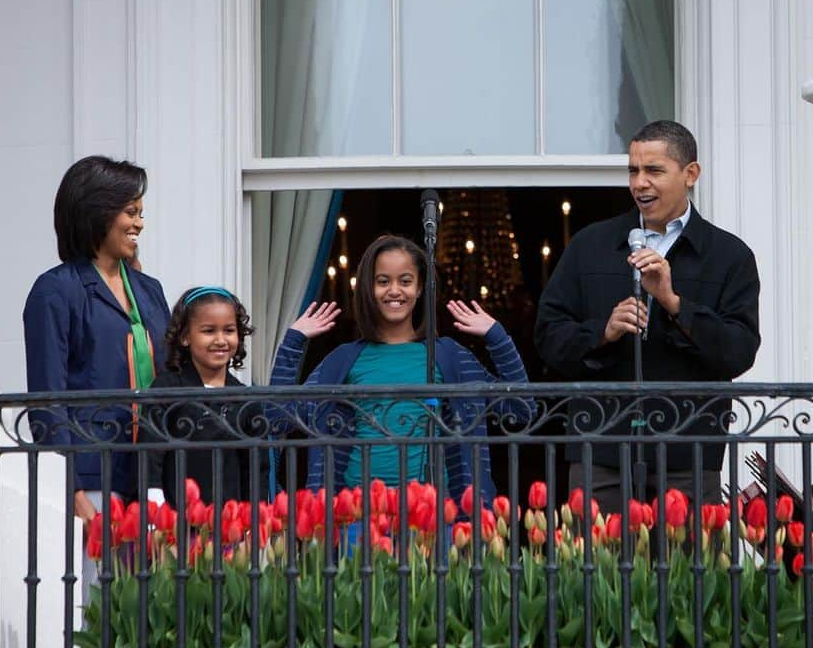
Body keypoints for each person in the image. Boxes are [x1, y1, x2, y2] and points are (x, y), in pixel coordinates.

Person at [534, 120, 761, 513]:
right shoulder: (591, 245)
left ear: (691, 174)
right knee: (595, 571)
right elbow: (548, 337)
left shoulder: (728, 255)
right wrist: (602, 332)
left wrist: (674, 304)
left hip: (689, 449)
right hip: (601, 447)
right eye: (633, 170)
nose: (640, 183)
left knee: (686, 572)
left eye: (654, 170)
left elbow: (739, 352)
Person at [271, 234, 533, 505]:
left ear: (420, 288)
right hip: (359, 516)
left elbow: (520, 409)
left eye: (405, 281)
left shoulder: (448, 355)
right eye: (383, 281)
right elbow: (278, 418)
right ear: (368, 289)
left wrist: (497, 337)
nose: (394, 290)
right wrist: (293, 341)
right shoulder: (344, 359)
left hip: (433, 515)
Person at [24, 155, 170, 527]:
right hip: (93, 474)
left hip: (153, 476)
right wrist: (70, 489)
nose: (139, 222)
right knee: (98, 585)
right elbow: (48, 396)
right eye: (130, 211)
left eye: (141, 212)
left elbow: (171, 379)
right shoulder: (56, 290)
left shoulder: (149, 291)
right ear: (97, 212)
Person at [146, 287, 262, 506]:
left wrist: (253, 517)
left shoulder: (245, 399)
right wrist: (154, 506)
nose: (220, 340)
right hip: (176, 523)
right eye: (209, 331)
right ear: (185, 337)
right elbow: (150, 453)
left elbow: (255, 469)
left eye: (229, 330)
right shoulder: (167, 387)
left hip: (229, 526)